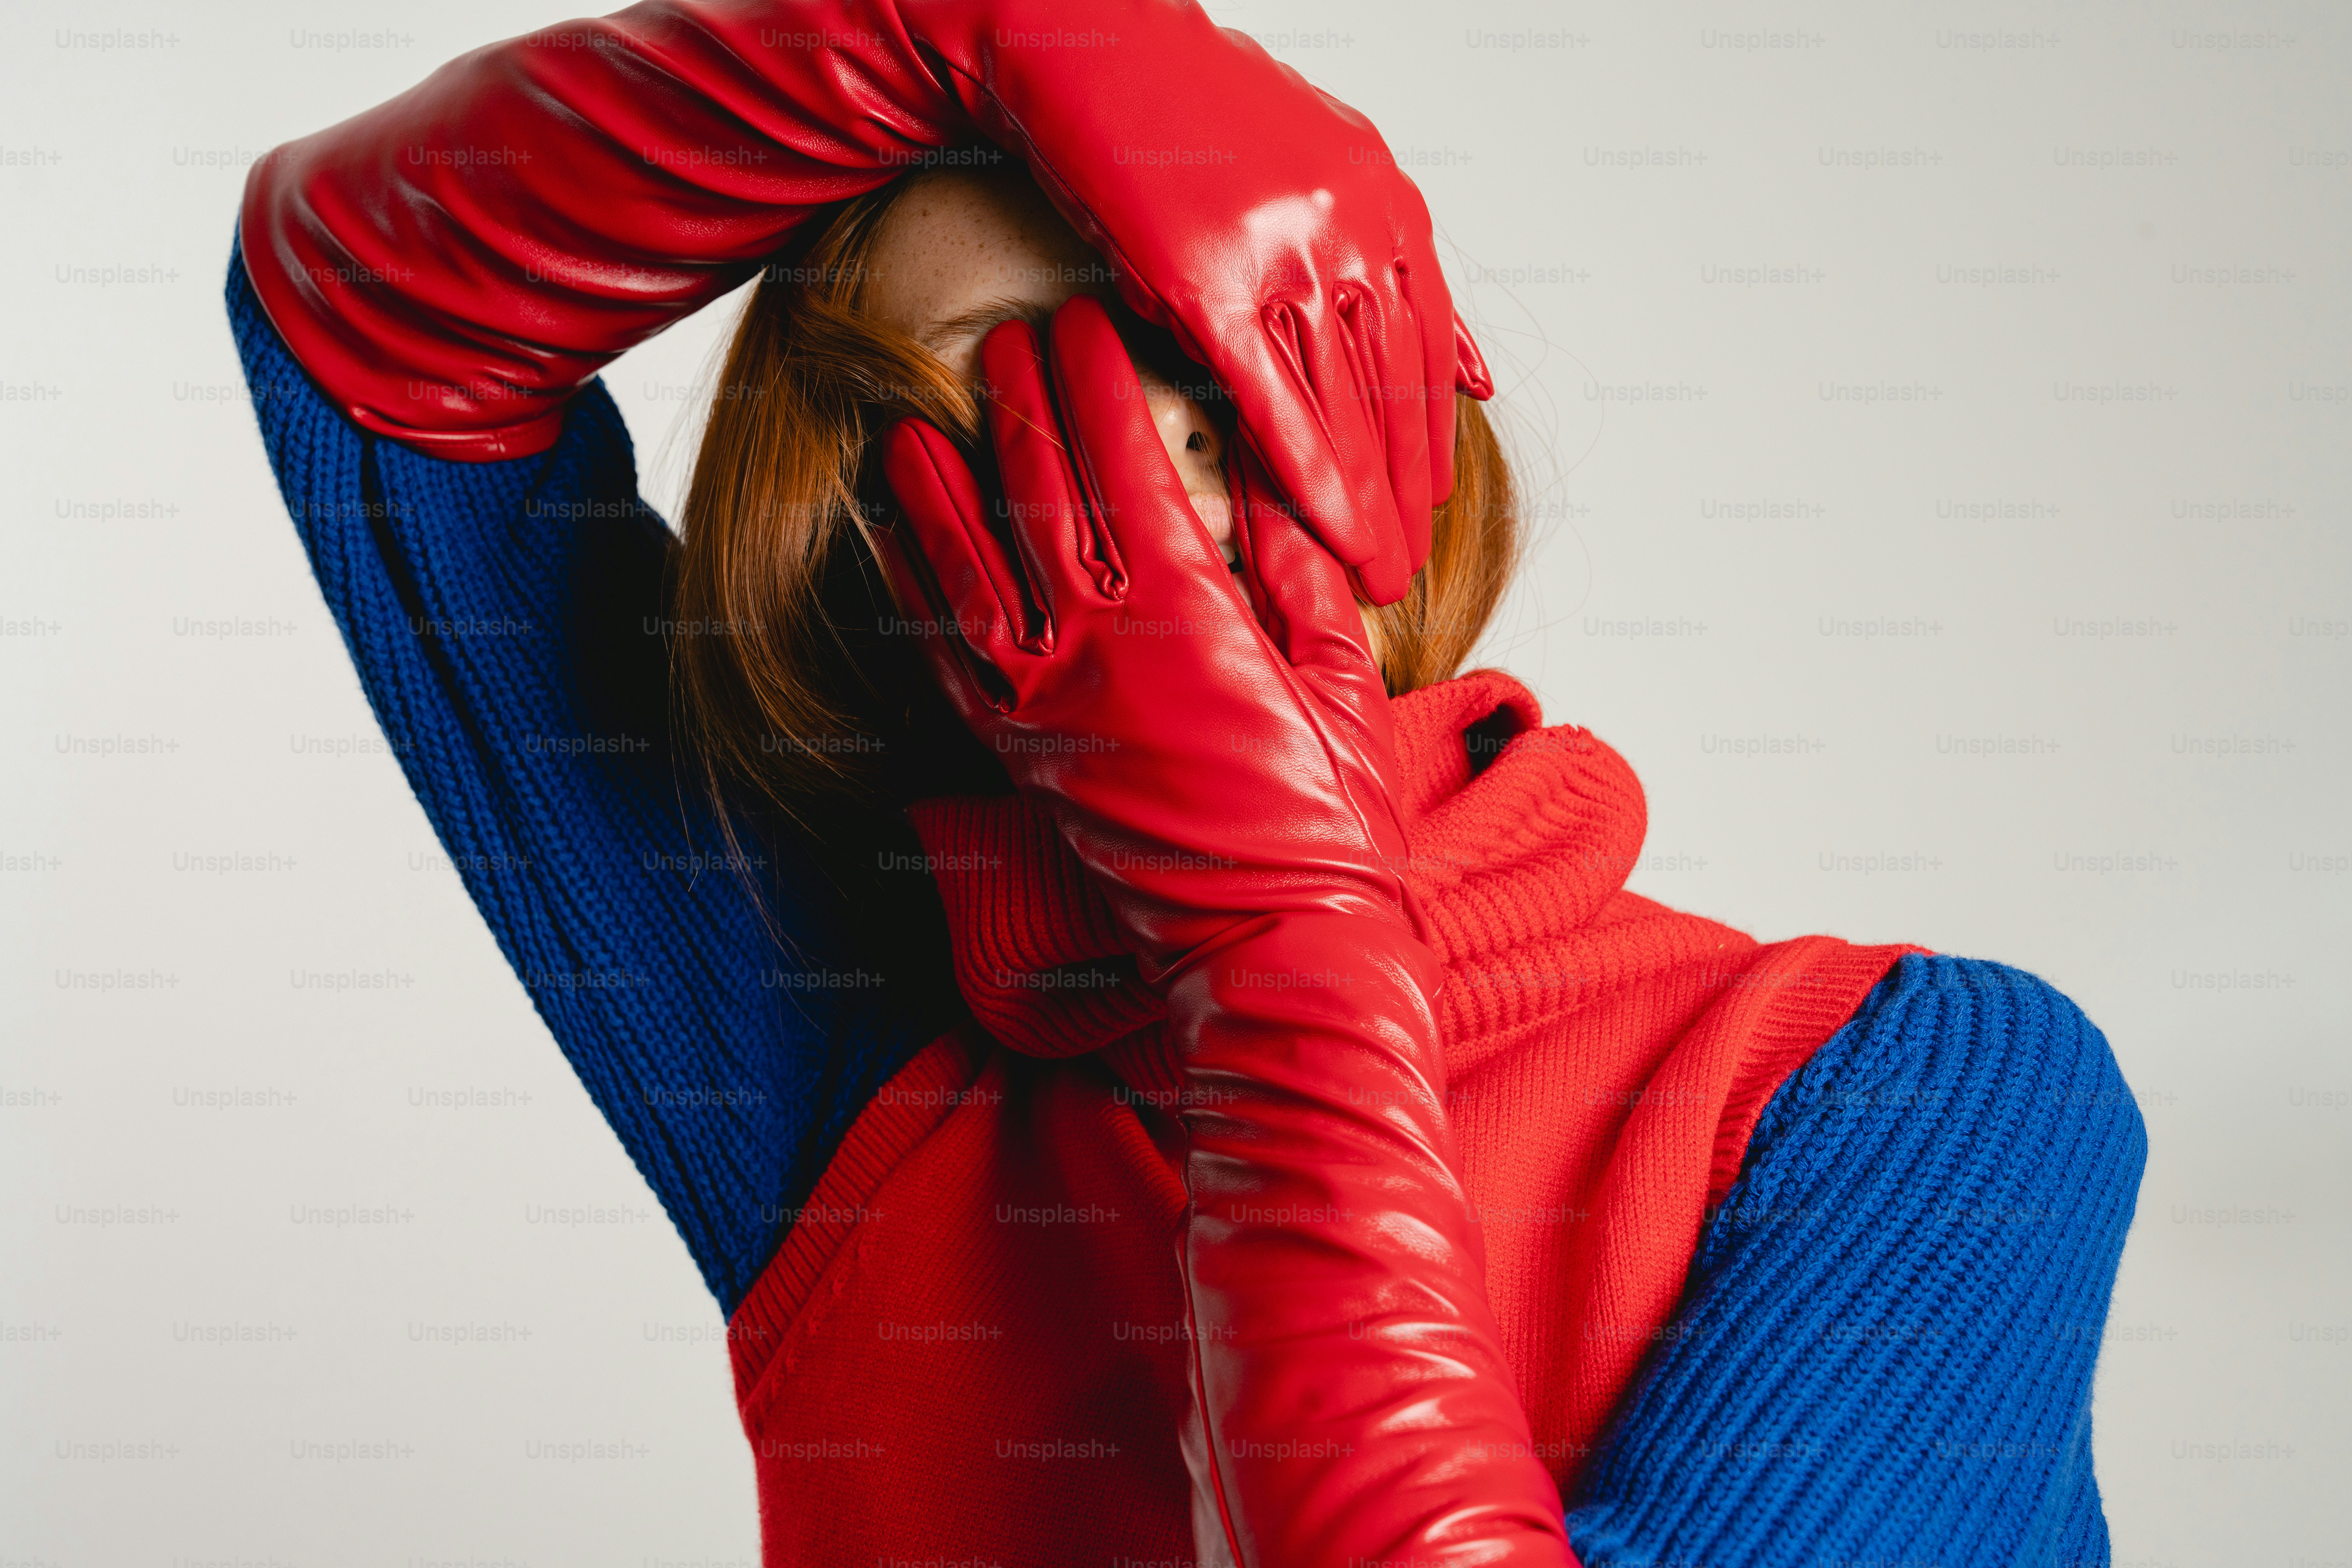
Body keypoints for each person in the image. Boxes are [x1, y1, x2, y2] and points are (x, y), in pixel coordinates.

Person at [227, 4, 2148, 1565]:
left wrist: (1276, 941)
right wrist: (954, 33)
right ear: (859, 529)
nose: (1136, 456)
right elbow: (364, 332)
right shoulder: (840, 1053)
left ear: (1401, 427)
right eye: (1015, 382)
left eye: (1214, 347)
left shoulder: (1919, 1090)